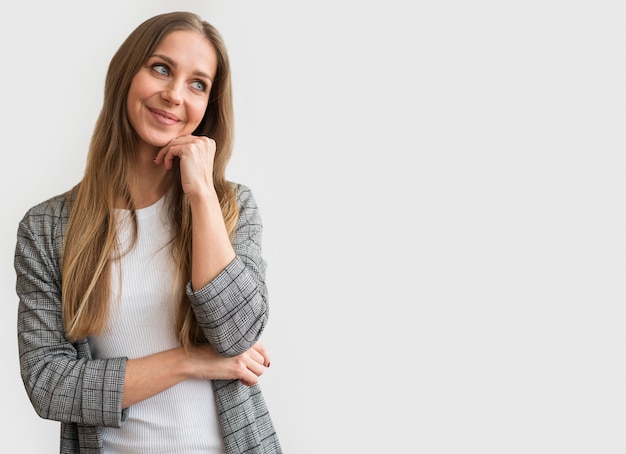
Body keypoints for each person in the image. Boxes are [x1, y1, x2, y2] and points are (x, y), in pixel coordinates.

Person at [14, 11, 281, 454]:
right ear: (126, 73)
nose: (175, 94)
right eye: (161, 68)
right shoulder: (46, 229)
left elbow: (236, 337)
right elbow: (48, 383)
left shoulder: (231, 207)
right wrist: (190, 362)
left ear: (208, 107)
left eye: (198, 84)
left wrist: (200, 194)